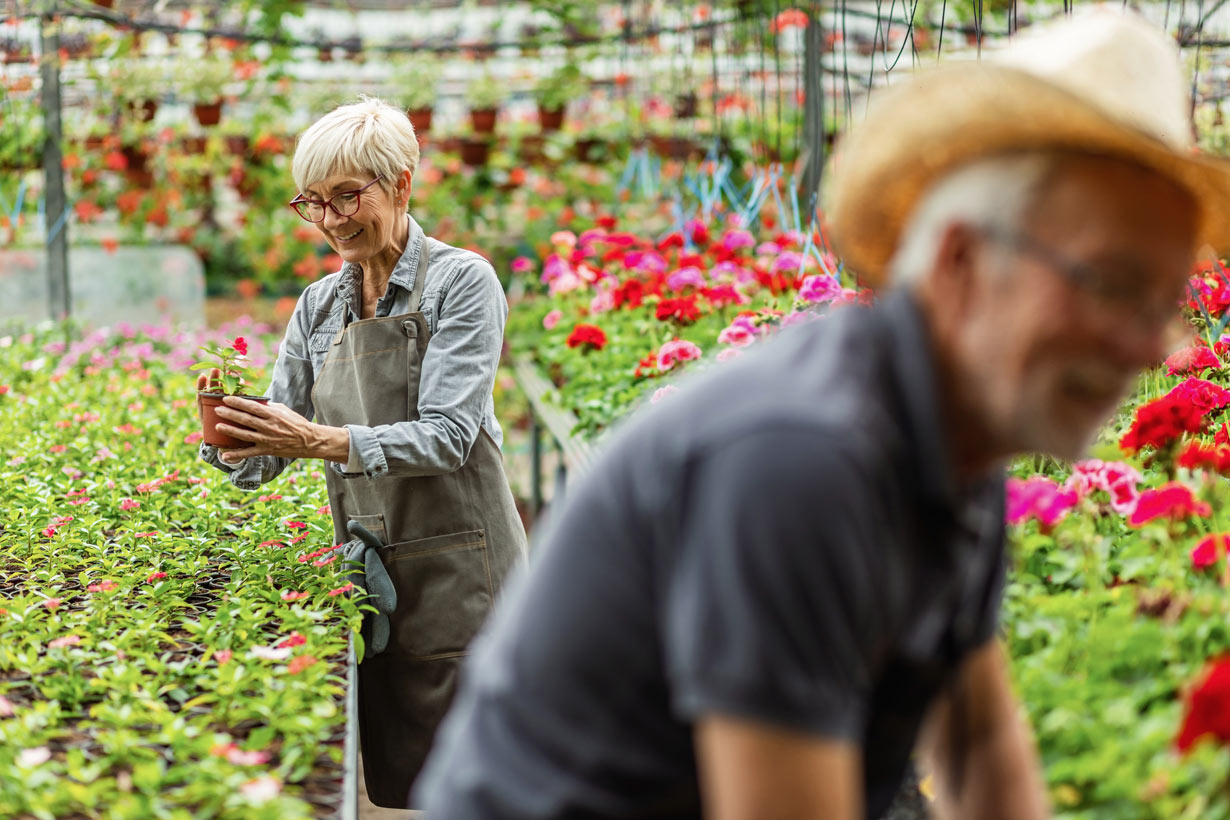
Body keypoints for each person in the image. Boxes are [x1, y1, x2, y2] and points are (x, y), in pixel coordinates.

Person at [415, 12, 1230, 820]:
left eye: (1163, 307)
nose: (1150, 350)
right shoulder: (801, 455)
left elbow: (979, 742)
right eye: (1114, 286)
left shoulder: (954, 438)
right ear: (961, 259)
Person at [196, 97, 526, 808]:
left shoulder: (461, 282)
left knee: (489, 781)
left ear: (402, 183)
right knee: (411, 779)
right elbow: (265, 460)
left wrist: (316, 439)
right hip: (377, 574)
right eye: (313, 202)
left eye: (348, 195)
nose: (330, 219)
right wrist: (228, 434)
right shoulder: (319, 305)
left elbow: (447, 435)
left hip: (468, 571)